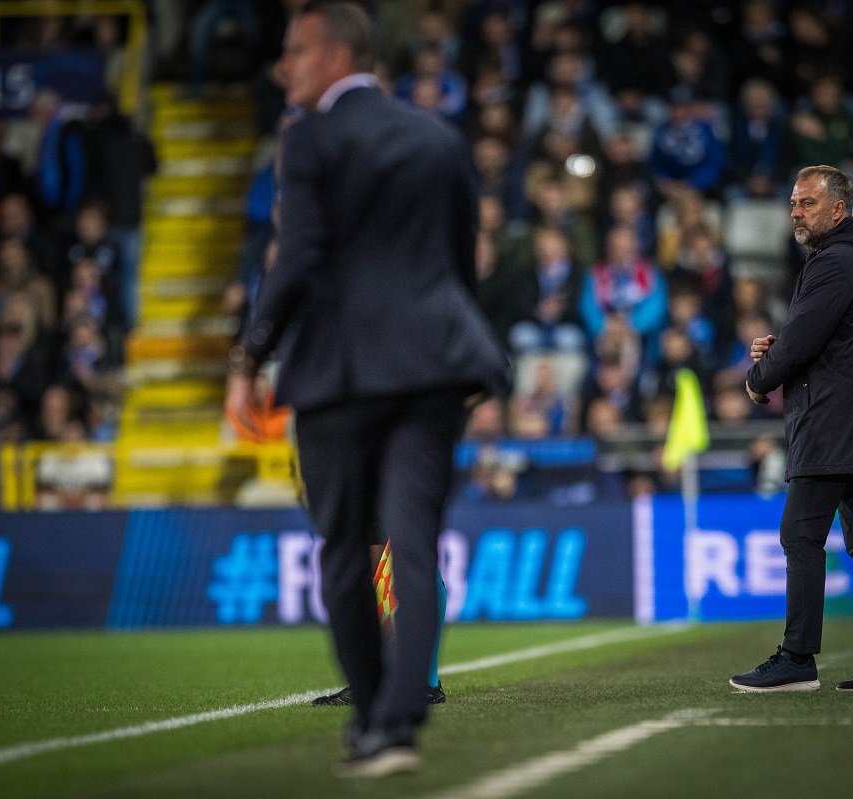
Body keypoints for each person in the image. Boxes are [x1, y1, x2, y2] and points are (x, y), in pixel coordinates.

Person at [225, 1, 506, 777]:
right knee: (412, 542)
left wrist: (250, 357)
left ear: (339, 54)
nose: (285, 65)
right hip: (433, 365)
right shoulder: (436, 135)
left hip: (343, 372)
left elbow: (300, 255)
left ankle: (373, 712)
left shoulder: (311, 136)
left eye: (297, 50)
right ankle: (403, 714)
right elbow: (457, 256)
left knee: (346, 548)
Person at [731, 165, 853, 693]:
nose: (796, 212)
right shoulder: (849, 262)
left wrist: (760, 377)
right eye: (793, 203)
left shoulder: (835, 263)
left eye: (807, 203)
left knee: (801, 534)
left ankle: (797, 658)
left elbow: (802, 341)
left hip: (836, 430)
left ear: (838, 210)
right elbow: (814, 340)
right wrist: (780, 353)